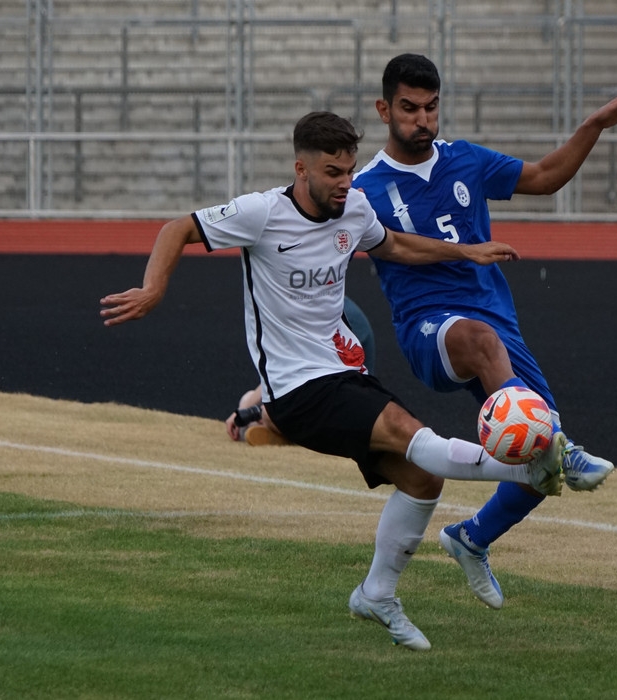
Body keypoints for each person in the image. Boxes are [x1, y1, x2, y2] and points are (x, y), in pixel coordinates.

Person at [99, 111, 566, 651]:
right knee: (412, 434)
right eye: (332, 172)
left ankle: (377, 594)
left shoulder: (356, 208)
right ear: (302, 169)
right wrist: (153, 289)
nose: (345, 182)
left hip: (344, 375)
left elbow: (396, 245)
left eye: (348, 170)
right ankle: (529, 464)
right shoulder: (262, 213)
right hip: (296, 389)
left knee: (421, 479)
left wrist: (466, 251)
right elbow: (176, 229)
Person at [352, 54, 617, 610]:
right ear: (384, 110)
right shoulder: (365, 189)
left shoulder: (464, 159)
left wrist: (594, 125)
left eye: (431, 108)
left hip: (496, 324)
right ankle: (563, 446)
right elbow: (368, 248)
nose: (422, 120)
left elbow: (545, 177)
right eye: (409, 108)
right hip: (428, 329)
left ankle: (473, 537)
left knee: (539, 460)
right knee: (514, 387)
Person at [224, 296, 375, 446]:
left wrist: (245, 410)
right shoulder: (321, 308)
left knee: (269, 412)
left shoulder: (332, 316)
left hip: (343, 402)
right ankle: (285, 432)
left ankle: (288, 434)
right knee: (251, 400)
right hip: (326, 395)